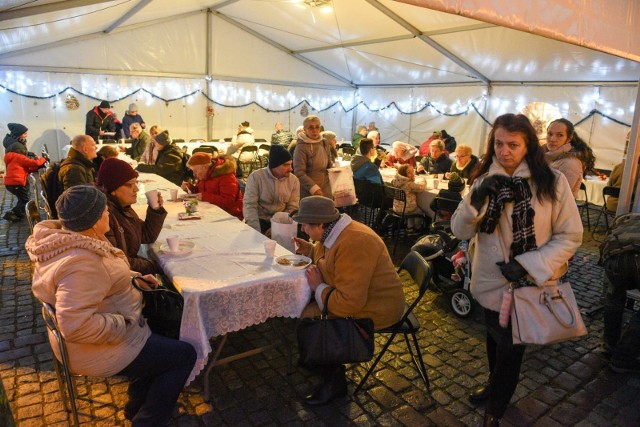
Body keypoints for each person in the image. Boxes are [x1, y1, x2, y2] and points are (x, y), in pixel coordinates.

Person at [451, 113, 582, 426]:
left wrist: (526, 265)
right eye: (498, 143)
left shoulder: (552, 182)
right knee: (493, 338)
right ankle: (494, 385)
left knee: (511, 349)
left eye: (513, 144)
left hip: (525, 284)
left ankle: (496, 408)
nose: (503, 151)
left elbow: (571, 235)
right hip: (488, 280)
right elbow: (460, 230)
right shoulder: (485, 179)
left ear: (528, 146)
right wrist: (474, 201)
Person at [26, 185, 196, 425]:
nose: (109, 213)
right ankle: (147, 420)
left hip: (107, 329)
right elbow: (75, 326)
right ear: (93, 220)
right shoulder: (82, 263)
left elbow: (104, 279)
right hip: (98, 347)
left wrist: (134, 279)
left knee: (166, 329)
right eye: (105, 210)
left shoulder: (74, 241)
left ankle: (137, 403)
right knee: (184, 355)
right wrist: (125, 323)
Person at [292, 196, 404, 406]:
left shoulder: (355, 242)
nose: (303, 229)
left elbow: (348, 304)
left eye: (306, 225)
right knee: (304, 308)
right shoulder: (334, 233)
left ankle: (334, 384)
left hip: (378, 308)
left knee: (310, 317)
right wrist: (310, 249)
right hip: (362, 298)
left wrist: (318, 288)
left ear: (322, 224)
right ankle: (317, 356)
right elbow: (329, 255)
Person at [97, 158, 167, 275]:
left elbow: (145, 235)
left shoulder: (123, 207)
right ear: (113, 188)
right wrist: (155, 266)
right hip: (125, 280)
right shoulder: (105, 216)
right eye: (130, 185)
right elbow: (118, 262)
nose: (137, 189)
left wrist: (155, 210)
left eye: (136, 182)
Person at [243, 145, 300, 234]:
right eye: (286, 165)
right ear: (274, 165)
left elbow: (293, 208)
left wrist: (277, 227)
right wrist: (255, 232)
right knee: (255, 241)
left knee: (300, 233)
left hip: (282, 221)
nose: (291, 169)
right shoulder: (256, 177)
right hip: (260, 220)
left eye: (291, 164)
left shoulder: (294, 180)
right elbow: (250, 206)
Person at [181, 152, 243, 219]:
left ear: (204, 167)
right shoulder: (205, 174)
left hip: (229, 216)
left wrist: (204, 196)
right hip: (211, 213)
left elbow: (228, 202)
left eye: (195, 171)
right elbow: (200, 192)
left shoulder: (226, 176)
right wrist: (190, 188)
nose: (194, 174)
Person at [2, 142, 47, 222]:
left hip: (11, 183)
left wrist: (37, 167)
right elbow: (34, 163)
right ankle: (12, 213)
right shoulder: (19, 157)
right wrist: (43, 159)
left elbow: (26, 169)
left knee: (22, 199)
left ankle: (18, 213)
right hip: (16, 183)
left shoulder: (12, 158)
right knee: (24, 200)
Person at [293, 115, 333, 199]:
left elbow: (329, 164)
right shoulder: (301, 146)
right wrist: (314, 188)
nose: (314, 130)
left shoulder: (324, 142)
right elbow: (299, 172)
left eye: (317, 127)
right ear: (304, 129)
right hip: (309, 189)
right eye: (310, 127)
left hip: (326, 186)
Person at [391, 164, 427, 231]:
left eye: (412, 171)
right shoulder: (409, 184)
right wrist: (424, 181)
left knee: (412, 209)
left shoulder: (395, 181)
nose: (412, 173)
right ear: (403, 174)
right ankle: (417, 228)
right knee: (420, 212)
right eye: (409, 172)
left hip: (396, 208)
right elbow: (421, 187)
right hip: (406, 209)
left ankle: (410, 227)